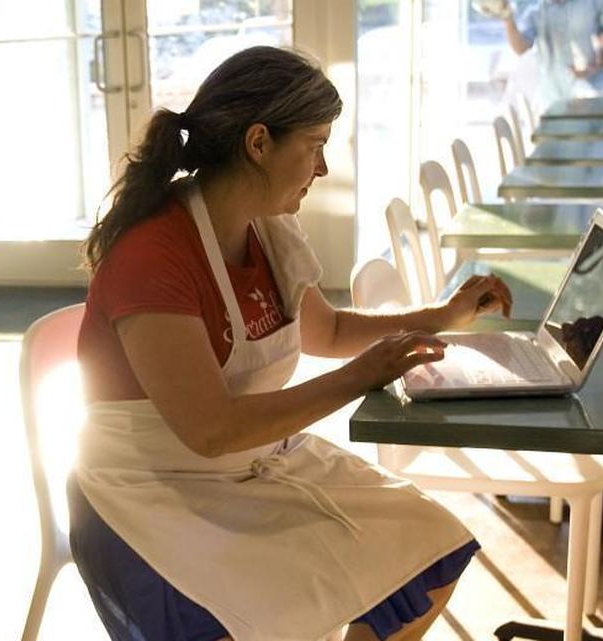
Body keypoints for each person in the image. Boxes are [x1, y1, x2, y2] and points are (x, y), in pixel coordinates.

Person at [71, 46, 514, 641]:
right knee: (266, 614)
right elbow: (211, 429)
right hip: (146, 494)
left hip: (247, 465)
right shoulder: (154, 257)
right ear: (259, 143)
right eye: (315, 146)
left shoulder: (267, 226)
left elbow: (326, 332)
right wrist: (362, 375)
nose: (323, 168)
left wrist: (440, 316)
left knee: (429, 547)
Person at [495, 0, 603, 110]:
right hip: (554, 104)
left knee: (599, 145)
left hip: (596, 102)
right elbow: (521, 49)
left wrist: (595, 65)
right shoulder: (535, 9)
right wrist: (507, 18)